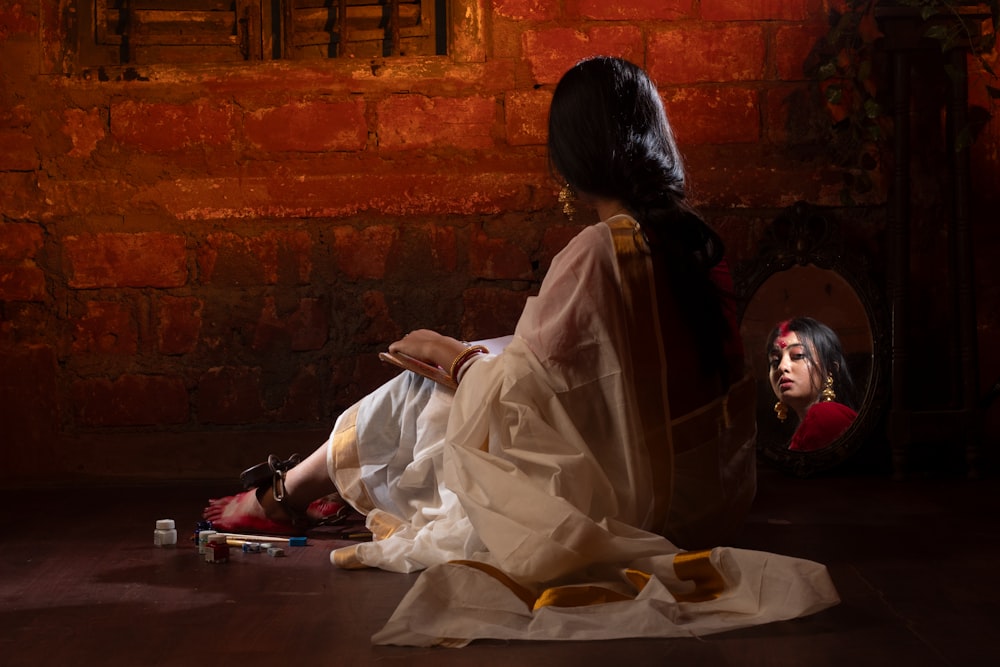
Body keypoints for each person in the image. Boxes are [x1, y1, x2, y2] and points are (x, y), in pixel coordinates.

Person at [204, 56, 837, 646]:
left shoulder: (599, 250)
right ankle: (313, 488)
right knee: (489, 356)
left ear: (574, 153)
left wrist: (453, 361)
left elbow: (521, 397)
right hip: (712, 500)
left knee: (424, 387)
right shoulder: (700, 243)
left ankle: (281, 495)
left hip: (633, 506)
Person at [767, 317, 858, 452]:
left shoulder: (827, 417)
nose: (782, 367)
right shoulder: (808, 426)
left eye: (798, 355)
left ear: (830, 370)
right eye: (775, 361)